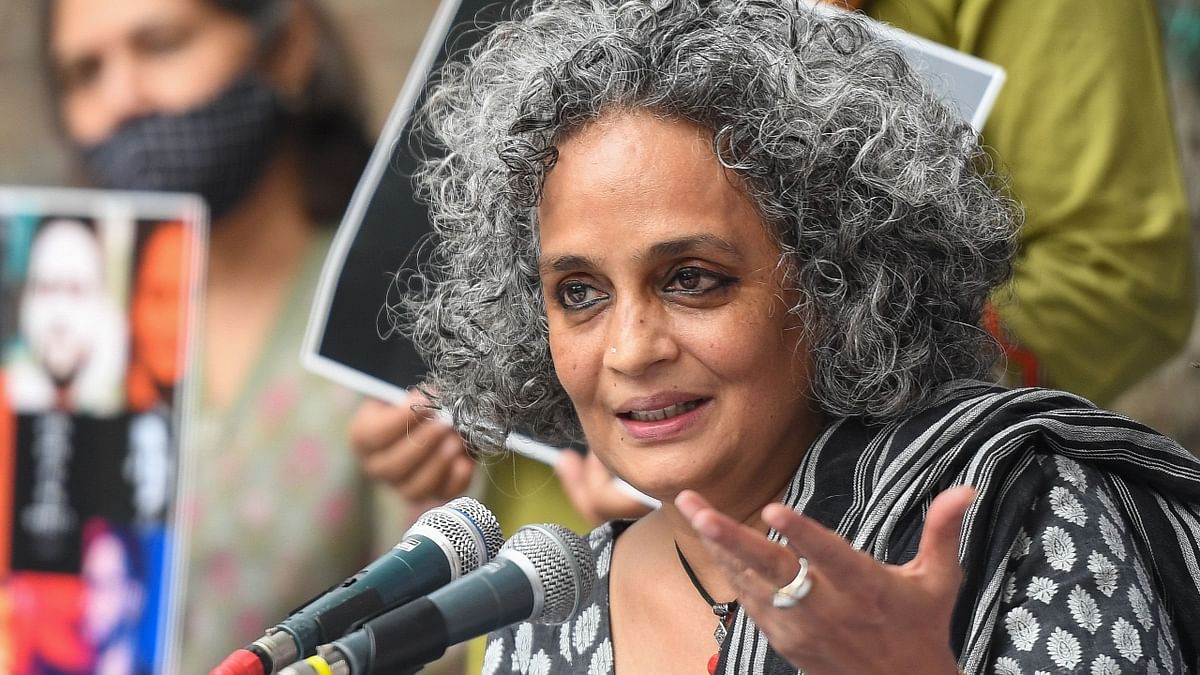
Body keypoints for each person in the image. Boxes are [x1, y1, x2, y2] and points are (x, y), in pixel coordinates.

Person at [400, 1, 1200, 672]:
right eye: (579, 293)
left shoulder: (1020, 521)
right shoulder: (540, 619)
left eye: (691, 279)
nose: (631, 348)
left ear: (837, 282)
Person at [40, 0, 416, 670]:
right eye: (84, 73)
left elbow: (434, 629)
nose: (122, 99)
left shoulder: (390, 311)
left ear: (287, 46)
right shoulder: (55, 327)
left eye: (161, 44)